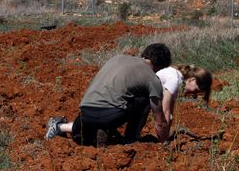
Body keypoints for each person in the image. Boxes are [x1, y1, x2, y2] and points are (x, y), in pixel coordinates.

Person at [47, 62, 212, 141]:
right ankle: (129, 138)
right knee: (145, 104)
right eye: (196, 90)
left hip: (120, 102)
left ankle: (63, 126)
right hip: (127, 103)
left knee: (95, 123)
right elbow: (164, 112)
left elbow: (169, 114)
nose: (193, 94)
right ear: (192, 79)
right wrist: (164, 141)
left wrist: (168, 130)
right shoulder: (174, 80)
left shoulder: (174, 75)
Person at [44, 43, 172, 146]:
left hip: (85, 112)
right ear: (161, 66)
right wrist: (163, 141)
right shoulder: (152, 79)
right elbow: (159, 122)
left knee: (92, 121)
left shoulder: (117, 58)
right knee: (144, 98)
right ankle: (130, 139)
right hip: (109, 117)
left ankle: (59, 126)